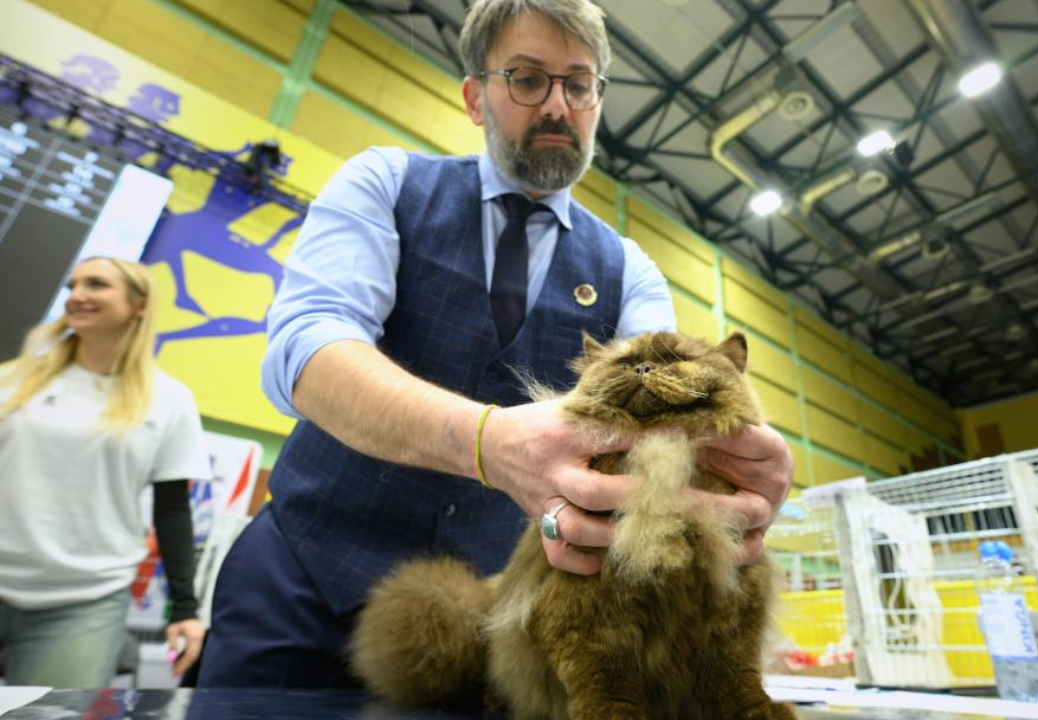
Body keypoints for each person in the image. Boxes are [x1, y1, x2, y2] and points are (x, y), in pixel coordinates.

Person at [197, 0, 793, 688]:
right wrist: (484, 441)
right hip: (301, 582)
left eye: (579, 83)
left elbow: (659, 427)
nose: (558, 106)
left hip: (494, 620)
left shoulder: (629, 269)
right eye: (527, 78)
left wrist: (735, 461)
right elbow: (308, 345)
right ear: (476, 97)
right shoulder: (385, 184)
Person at [0, 257, 211, 687]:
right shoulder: (13, 381)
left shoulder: (169, 399)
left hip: (84, 602)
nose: (77, 295)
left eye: (96, 285)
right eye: (73, 284)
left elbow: (172, 512)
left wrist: (185, 610)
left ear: (139, 304)